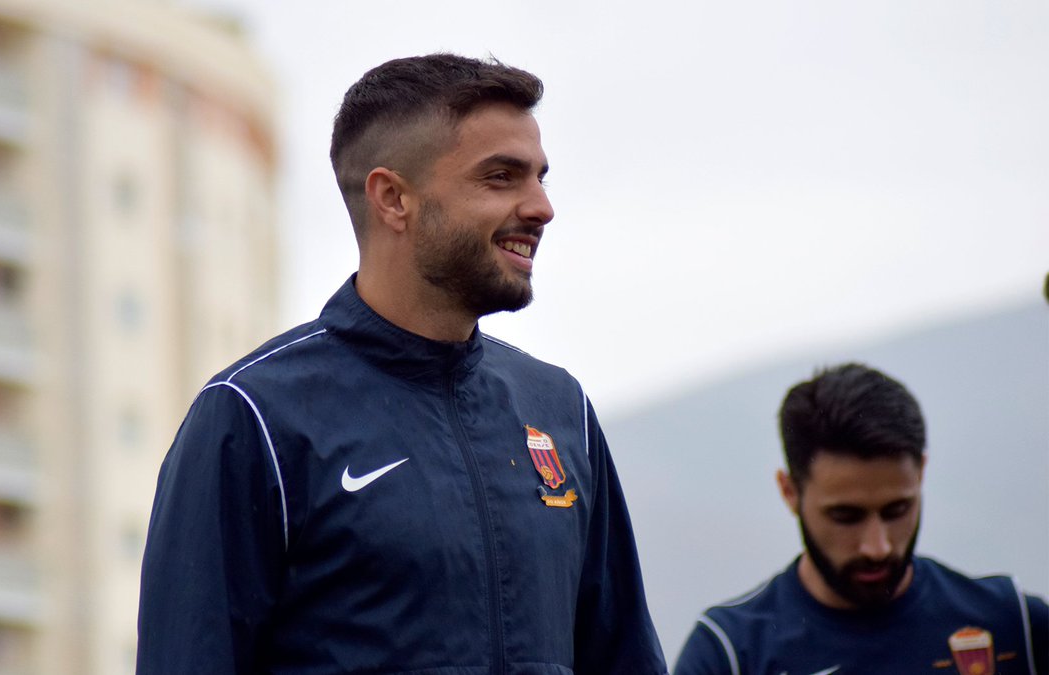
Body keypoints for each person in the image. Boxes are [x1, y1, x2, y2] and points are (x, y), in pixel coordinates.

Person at [136, 53, 668, 674]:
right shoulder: (254, 416)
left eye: (541, 178)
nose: (541, 207)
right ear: (393, 198)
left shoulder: (559, 409)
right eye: (502, 177)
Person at [674, 363, 1048, 675]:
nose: (877, 546)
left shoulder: (1014, 627)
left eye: (896, 510)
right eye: (846, 516)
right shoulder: (729, 654)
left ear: (921, 475)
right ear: (789, 491)